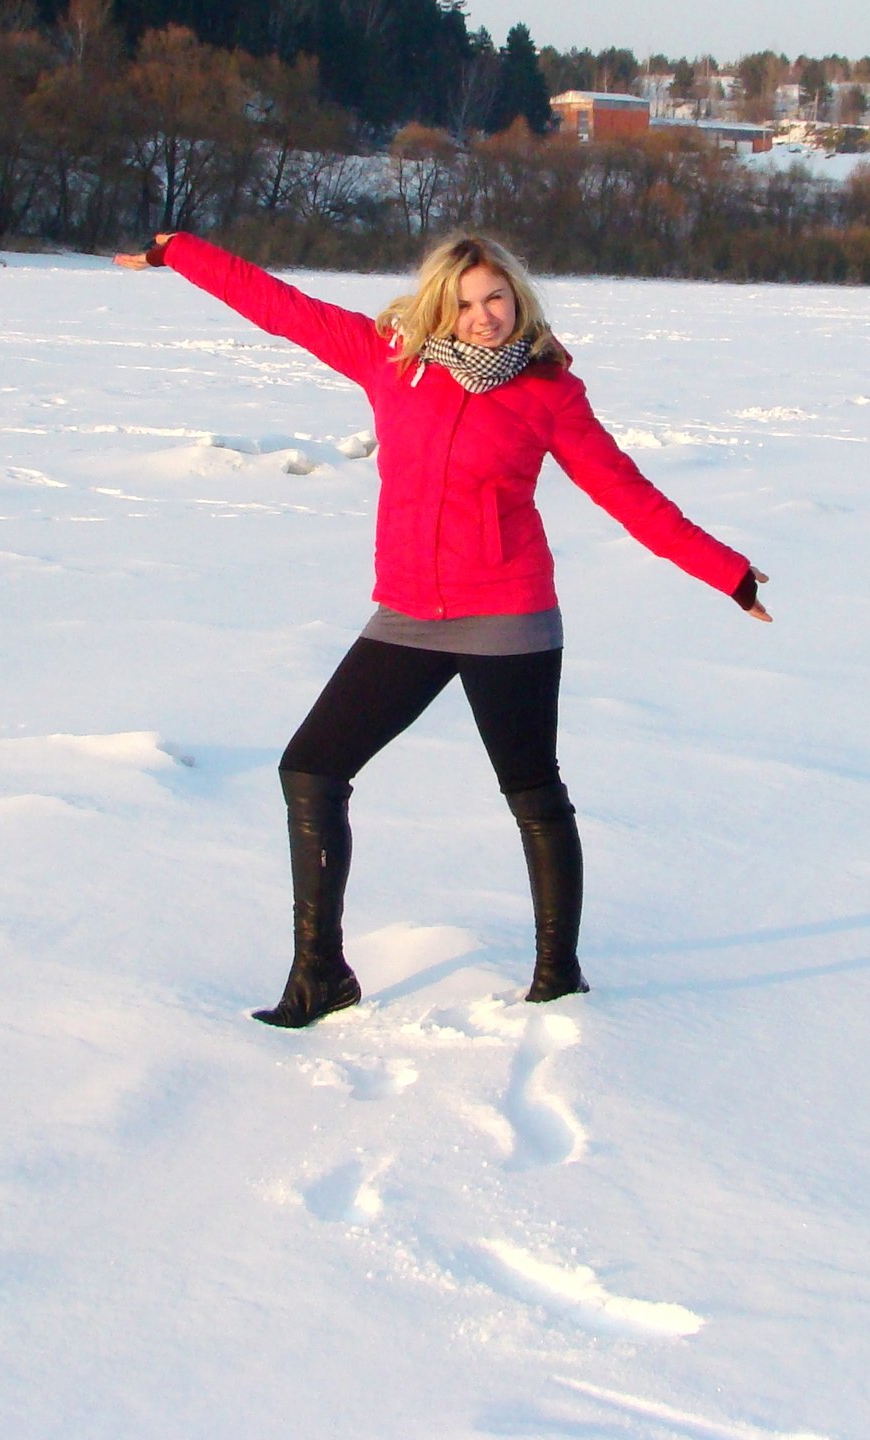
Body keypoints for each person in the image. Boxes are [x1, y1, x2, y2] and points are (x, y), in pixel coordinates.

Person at [116, 230, 771, 1027]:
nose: (483, 316)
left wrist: (725, 571)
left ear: (518, 297)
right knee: (311, 770)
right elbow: (280, 307)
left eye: (495, 298)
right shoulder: (389, 359)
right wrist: (178, 251)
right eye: (464, 304)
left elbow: (625, 492)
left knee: (532, 792)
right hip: (408, 616)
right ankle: (319, 975)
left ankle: (557, 976)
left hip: (508, 614)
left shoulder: (549, 392)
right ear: (438, 305)